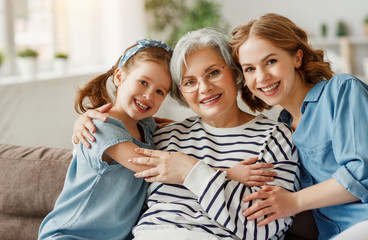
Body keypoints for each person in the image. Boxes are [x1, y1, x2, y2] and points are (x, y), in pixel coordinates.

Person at [73, 28, 300, 240]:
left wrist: (191, 171)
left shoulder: (274, 137)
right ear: (181, 92)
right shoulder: (165, 136)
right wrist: (85, 121)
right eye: (190, 82)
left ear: (235, 72)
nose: (204, 88)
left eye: (212, 73)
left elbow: (266, 226)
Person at [229, 13, 368, 240]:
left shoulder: (342, 90)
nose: (261, 77)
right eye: (249, 69)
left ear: (297, 58)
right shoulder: (280, 128)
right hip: (340, 231)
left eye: (271, 61)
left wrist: (294, 202)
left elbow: (366, 173)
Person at [38, 39, 174, 240]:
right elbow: (147, 165)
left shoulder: (146, 126)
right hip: (69, 235)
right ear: (119, 77)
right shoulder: (101, 127)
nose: (148, 95)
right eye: (143, 82)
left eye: (160, 91)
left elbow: (180, 128)